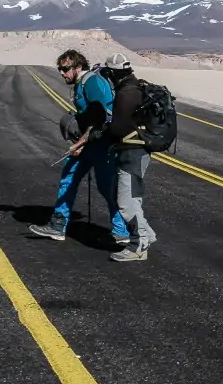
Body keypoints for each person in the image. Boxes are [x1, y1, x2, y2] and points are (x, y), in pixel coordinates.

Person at [32, 49, 128, 245]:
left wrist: (80, 142)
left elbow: (99, 114)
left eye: (65, 68)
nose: (61, 73)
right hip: (90, 143)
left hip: (101, 144)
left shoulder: (91, 82)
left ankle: (122, 230)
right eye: (59, 69)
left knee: (107, 187)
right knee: (69, 178)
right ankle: (58, 224)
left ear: (77, 67)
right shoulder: (80, 83)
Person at [101, 53, 158, 262]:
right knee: (131, 198)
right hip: (136, 151)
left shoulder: (127, 93)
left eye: (108, 72)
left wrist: (104, 131)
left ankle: (138, 246)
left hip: (132, 153)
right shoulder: (135, 88)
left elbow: (120, 127)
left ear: (113, 73)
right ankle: (146, 236)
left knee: (126, 201)